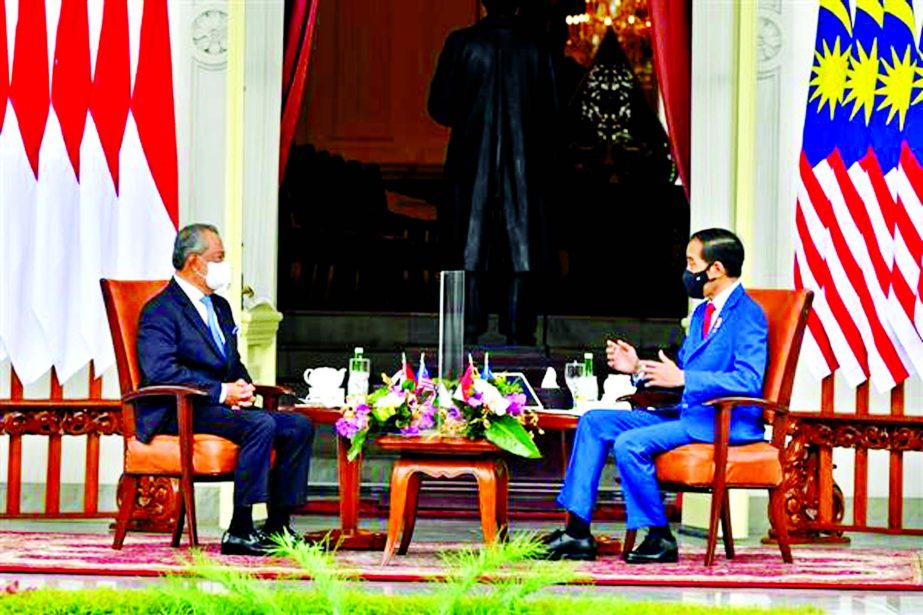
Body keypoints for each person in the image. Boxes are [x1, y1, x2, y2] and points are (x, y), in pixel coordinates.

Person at [543, 228, 768, 563]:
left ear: (716, 269)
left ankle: (660, 536)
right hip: (686, 412)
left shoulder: (749, 315)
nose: (687, 270)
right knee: (593, 422)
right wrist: (636, 367)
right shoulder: (703, 313)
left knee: (629, 443)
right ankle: (577, 533)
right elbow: (676, 374)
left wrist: (685, 377)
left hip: (720, 421)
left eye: (692, 262)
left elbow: (749, 380)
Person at [137, 223, 314, 556]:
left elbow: (231, 362)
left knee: (297, 426)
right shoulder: (160, 311)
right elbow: (160, 371)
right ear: (195, 262)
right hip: (178, 410)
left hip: (217, 407)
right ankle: (240, 530)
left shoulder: (219, 306)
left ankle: (278, 526)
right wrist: (221, 392)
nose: (225, 265)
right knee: (260, 424)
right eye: (219, 257)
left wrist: (243, 387)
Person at [428, 0, 558, 346]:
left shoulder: (462, 43)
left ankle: (467, 329)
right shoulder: (536, 45)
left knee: (470, 243)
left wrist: (472, 111)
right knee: (522, 246)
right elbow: (551, 110)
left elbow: (439, 106)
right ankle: (519, 330)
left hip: (472, 159)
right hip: (524, 163)